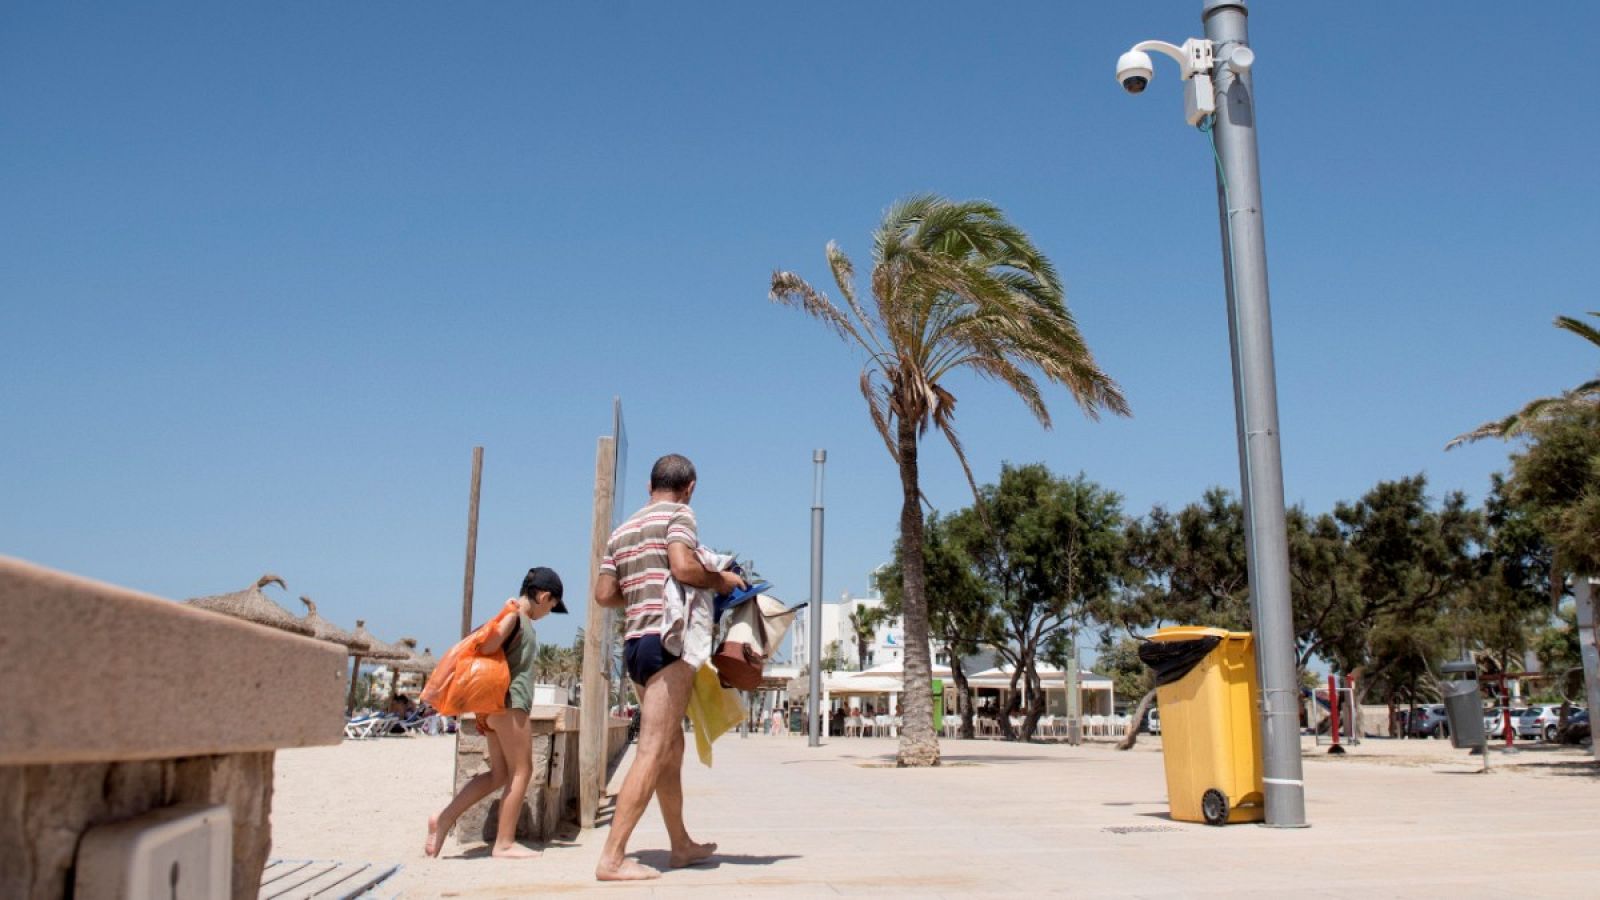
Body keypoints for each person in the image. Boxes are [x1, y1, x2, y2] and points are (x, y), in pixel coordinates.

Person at [593, 454, 745, 881]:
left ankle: (680, 845)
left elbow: (605, 594)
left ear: (648, 484)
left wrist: (644, 591)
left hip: (635, 644)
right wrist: (719, 581)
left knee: (671, 747)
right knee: (654, 748)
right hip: (667, 643)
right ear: (690, 486)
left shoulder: (622, 530)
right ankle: (612, 857)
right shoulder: (681, 514)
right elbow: (681, 565)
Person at [425, 567, 567, 859]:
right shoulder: (515, 617)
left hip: (493, 708)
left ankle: (443, 819)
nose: (549, 612)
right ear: (543, 596)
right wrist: (504, 616)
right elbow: (488, 643)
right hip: (509, 705)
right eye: (551, 607)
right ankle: (504, 842)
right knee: (522, 771)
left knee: (499, 774)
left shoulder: (518, 618)